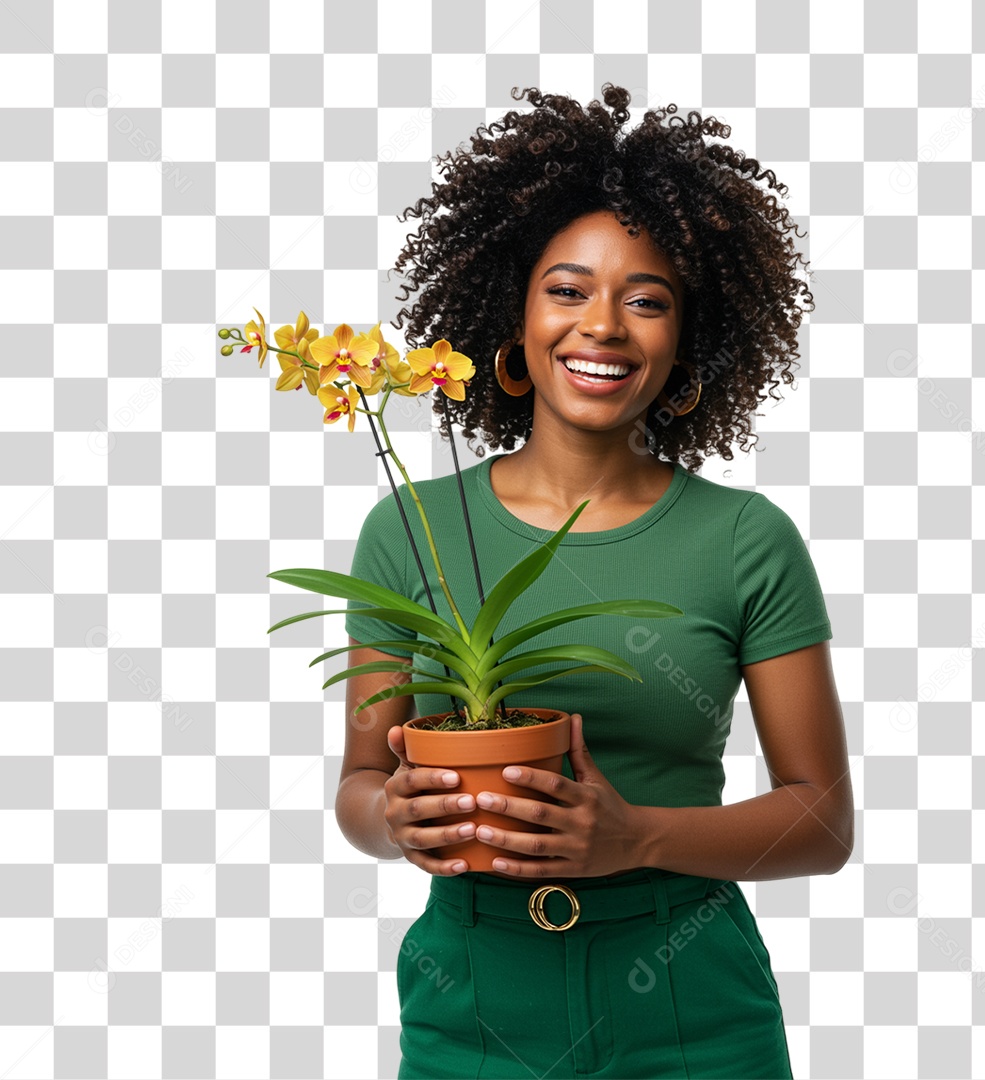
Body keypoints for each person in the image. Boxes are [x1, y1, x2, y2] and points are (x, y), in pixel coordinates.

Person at [336, 85, 852, 1079]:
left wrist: (637, 838)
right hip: (474, 993)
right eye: (567, 291)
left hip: (693, 1002)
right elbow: (361, 785)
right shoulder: (411, 528)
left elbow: (822, 820)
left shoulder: (747, 538)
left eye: (647, 299)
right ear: (514, 322)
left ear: (685, 340)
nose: (604, 325)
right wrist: (391, 818)